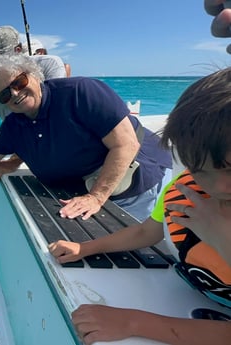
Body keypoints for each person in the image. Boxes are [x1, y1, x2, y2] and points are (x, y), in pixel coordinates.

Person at [48, 67, 231, 345]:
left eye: (230, 168)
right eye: (201, 169)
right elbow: (147, 232)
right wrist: (86, 248)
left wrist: (135, 322)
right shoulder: (185, 189)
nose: (218, 187)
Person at [0, 54, 172, 222]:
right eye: (5, 94)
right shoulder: (14, 124)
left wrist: (96, 197)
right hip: (81, 190)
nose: (15, 93)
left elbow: (125, 144)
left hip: (137, 186)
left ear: (35, 76)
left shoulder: (81, 92)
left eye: (19, 82)